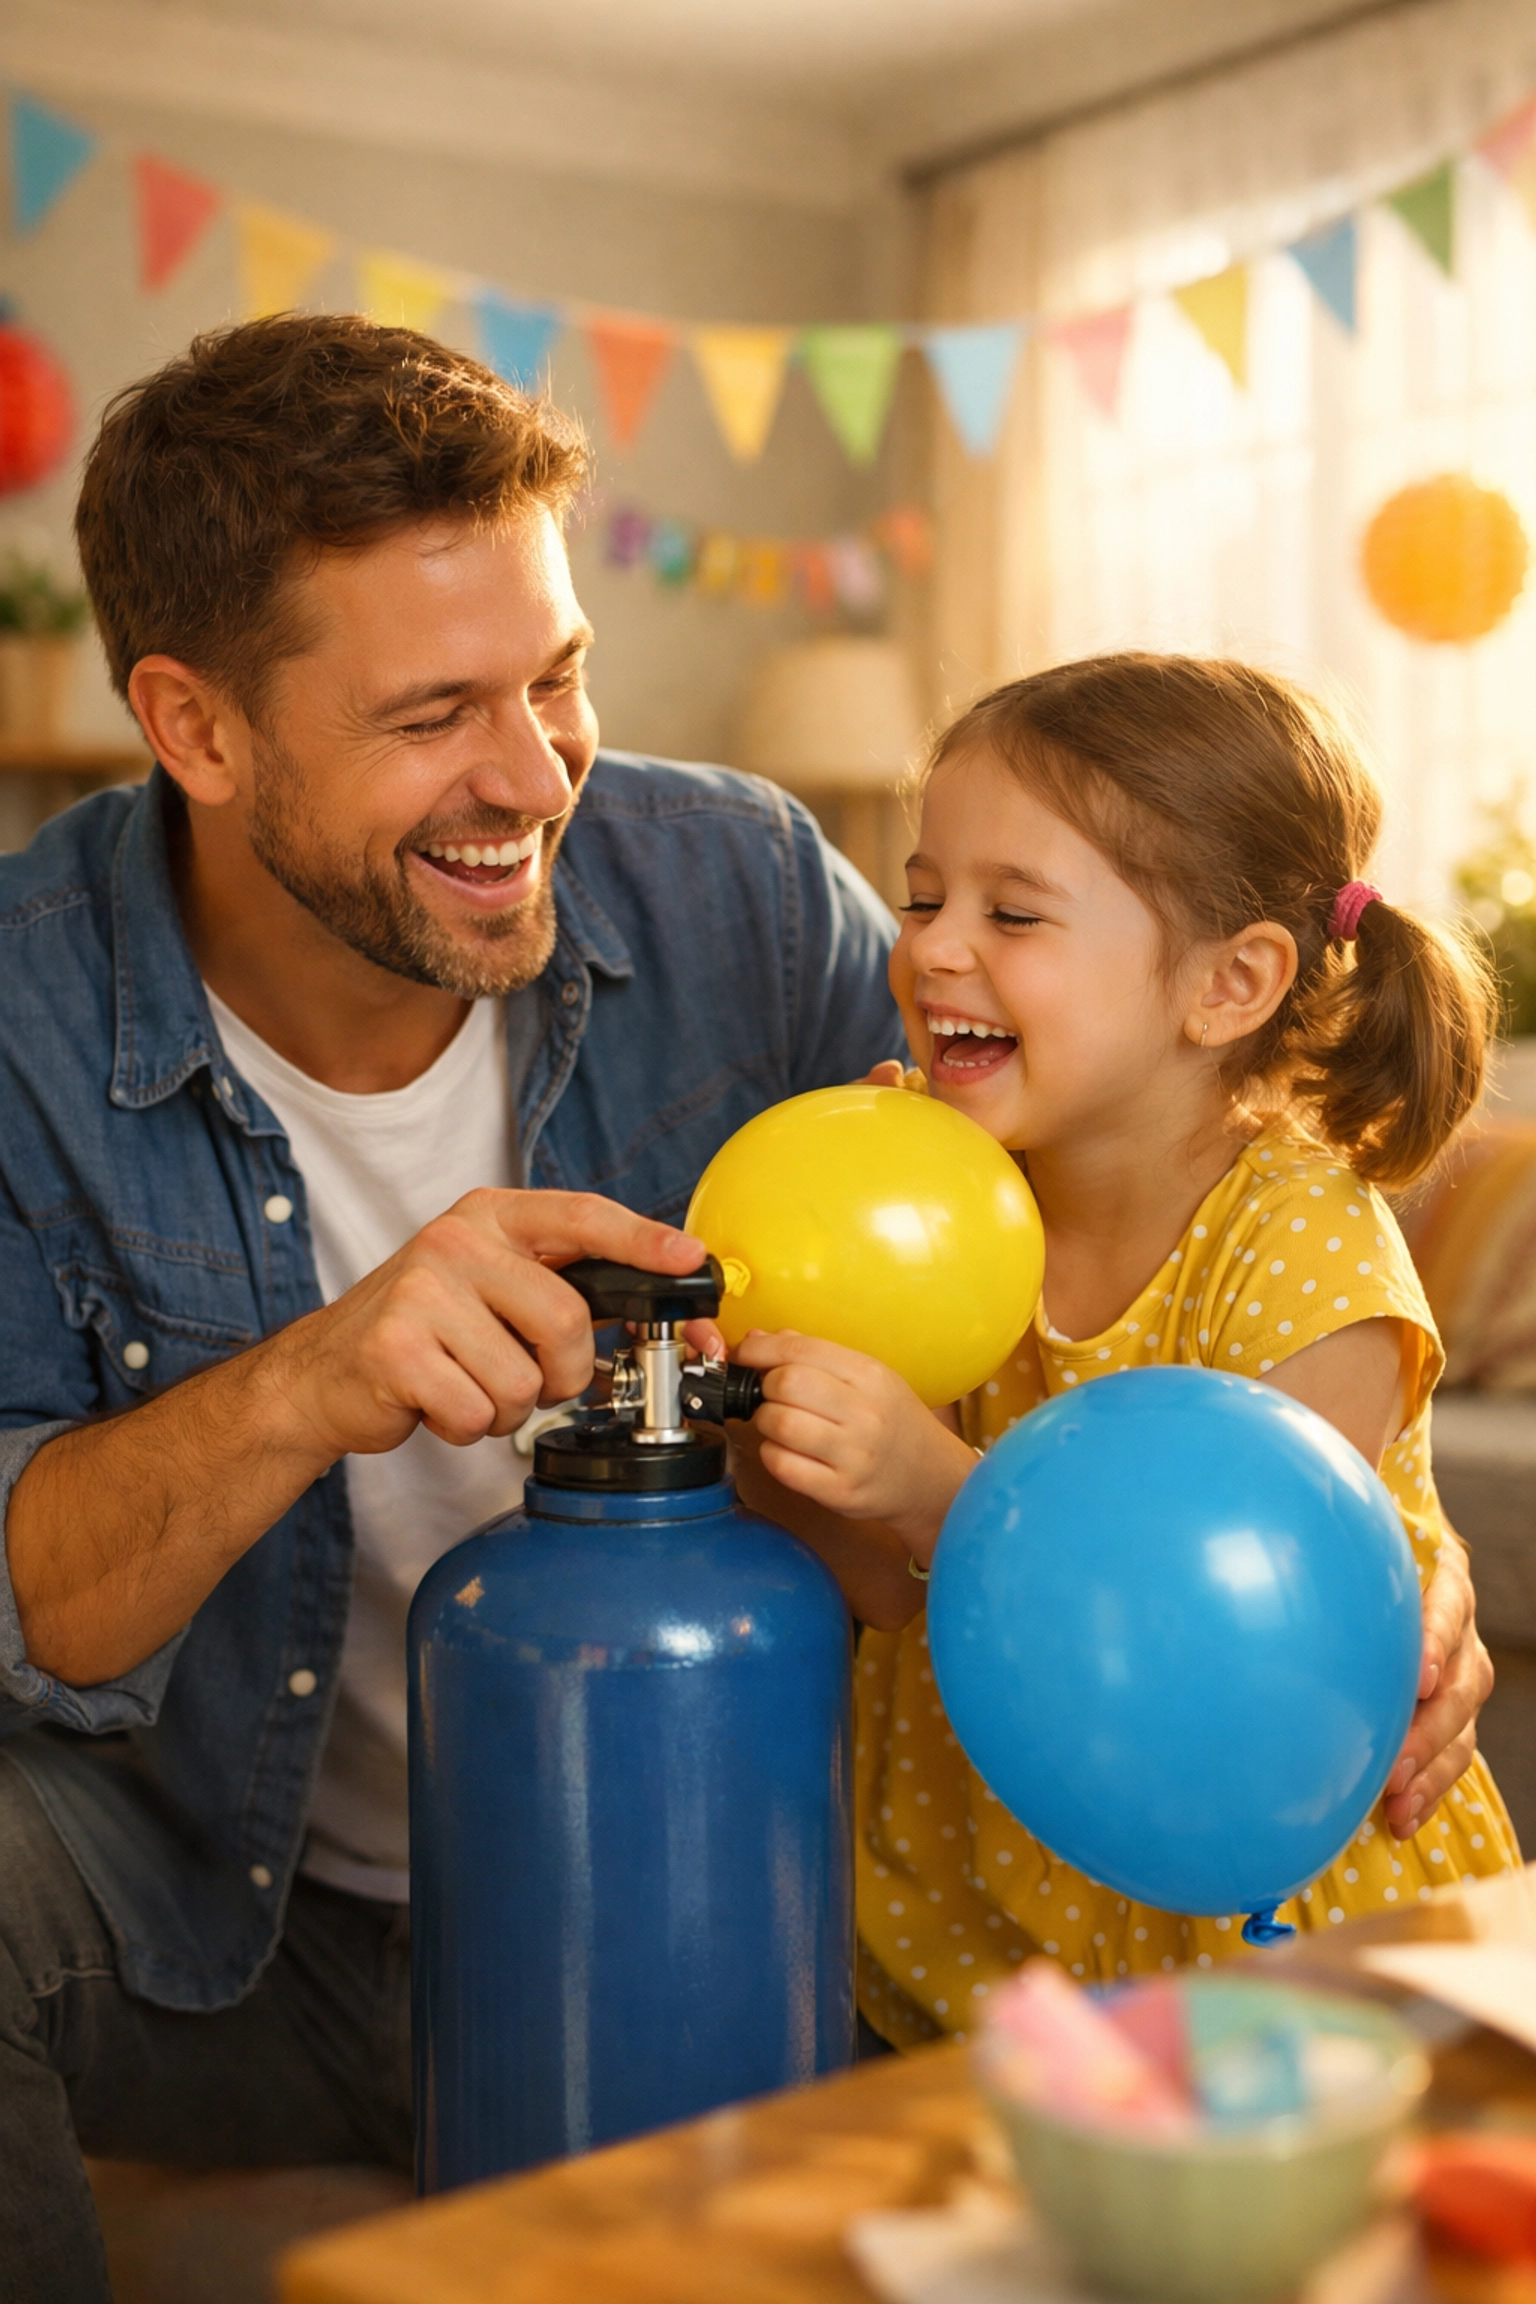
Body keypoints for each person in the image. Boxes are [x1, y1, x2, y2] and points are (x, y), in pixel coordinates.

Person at [0, 313, 903, 2300]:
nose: (532, 777)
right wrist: (309, 1378)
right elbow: (28, 1601)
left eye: (559, 678)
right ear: (197, 727)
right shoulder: (22, 1016)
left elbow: (1087, 1239)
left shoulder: (747, 892)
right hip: (243, 1931)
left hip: (715, 1876)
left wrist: (1344, 1477)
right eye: (434, 715)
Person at [726, 654, 1518, 2048]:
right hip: (993, 1923)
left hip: (1276, 1952)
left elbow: (1222, 1656)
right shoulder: (955, 1193)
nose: (930, 948)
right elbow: (885, 1589)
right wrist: (783, 1437)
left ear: (1229, 986)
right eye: (923, 898)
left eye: (1011, 912)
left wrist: (935, 1488)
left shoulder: (1301, 1249)